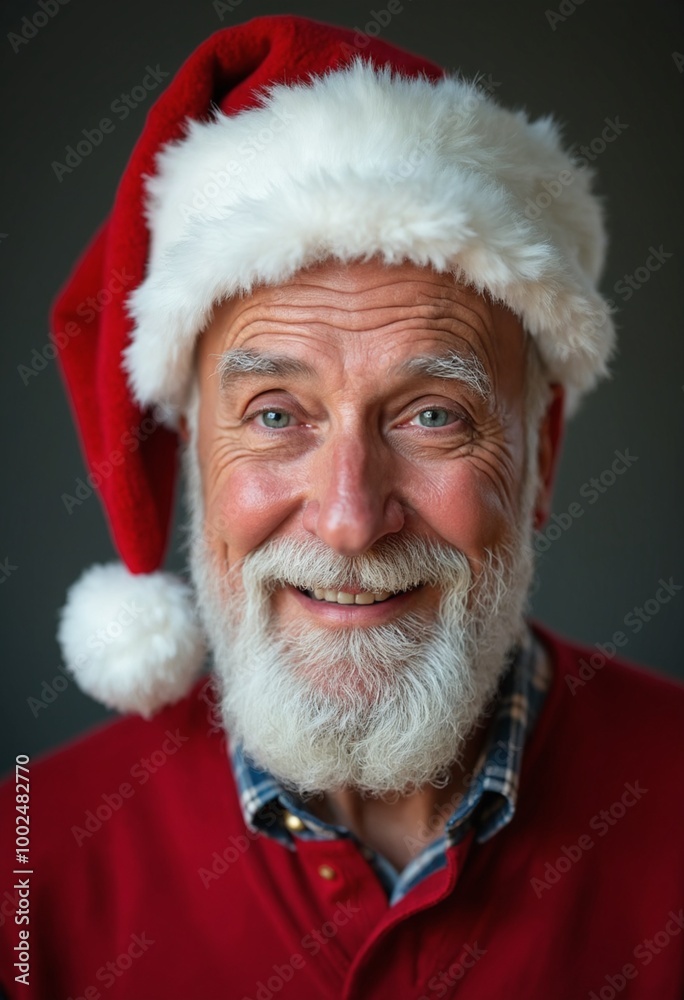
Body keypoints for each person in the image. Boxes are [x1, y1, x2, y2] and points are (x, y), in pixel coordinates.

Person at [1, 14, 682, 1000]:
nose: (351, 517)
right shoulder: (28, 872)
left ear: (537, 452)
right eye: (276, 414)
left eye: (433, 414)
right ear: (195, 451)